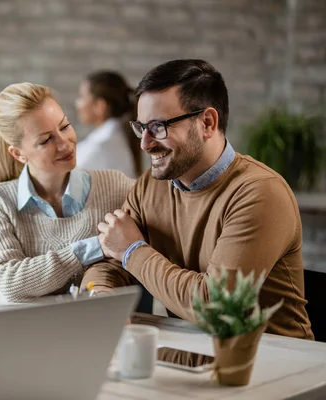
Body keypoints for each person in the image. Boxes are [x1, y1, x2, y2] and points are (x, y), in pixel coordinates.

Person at [97, 59, 313, 339]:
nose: (145, 143)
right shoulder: (152, 184)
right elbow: (109, 262)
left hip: (275, 362)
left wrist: (133, 251)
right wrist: (100, 295)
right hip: (194, 352)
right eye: (141, 128)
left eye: (158, 127)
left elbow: (215, 307)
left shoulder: (259, 193)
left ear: (207, 123)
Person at [0, 82, 136, 303]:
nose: (65, 144)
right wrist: (95, 246)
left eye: (64, 127)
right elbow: (9, 281)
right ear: (18, 154)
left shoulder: (116, 186)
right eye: (45, 140)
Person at [75, 71, 143, 179]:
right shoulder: (113, 138)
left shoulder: (101, 146)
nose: (77, 103)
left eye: (82, 97)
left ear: (99, 106)